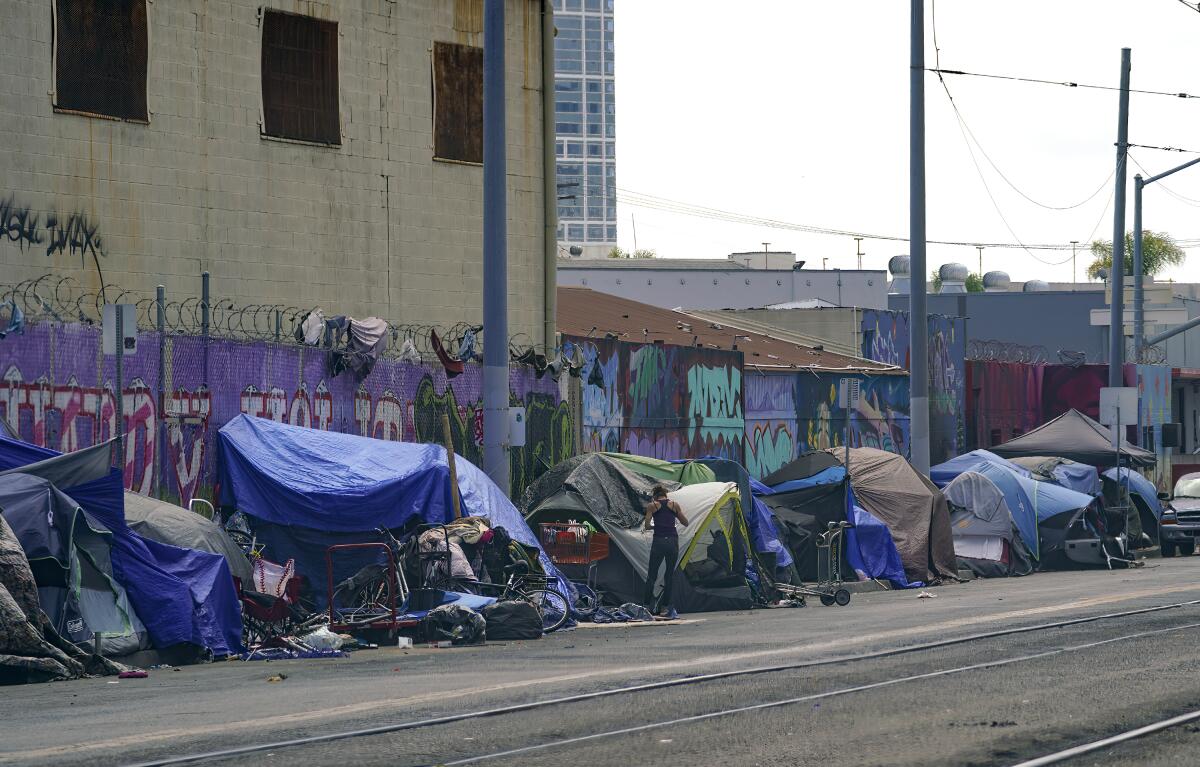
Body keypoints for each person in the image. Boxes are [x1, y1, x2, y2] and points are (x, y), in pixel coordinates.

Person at [642, 485, 689, 619]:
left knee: (652, 575)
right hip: (672, 542)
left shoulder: (652, 506)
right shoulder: (674, 505)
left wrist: (655, 525)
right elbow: (685, 522)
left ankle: (647, 607)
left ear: (655, 496)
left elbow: (646, 525)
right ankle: (664, 608)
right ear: (665, 495)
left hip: (659, 541)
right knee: (669, 576)